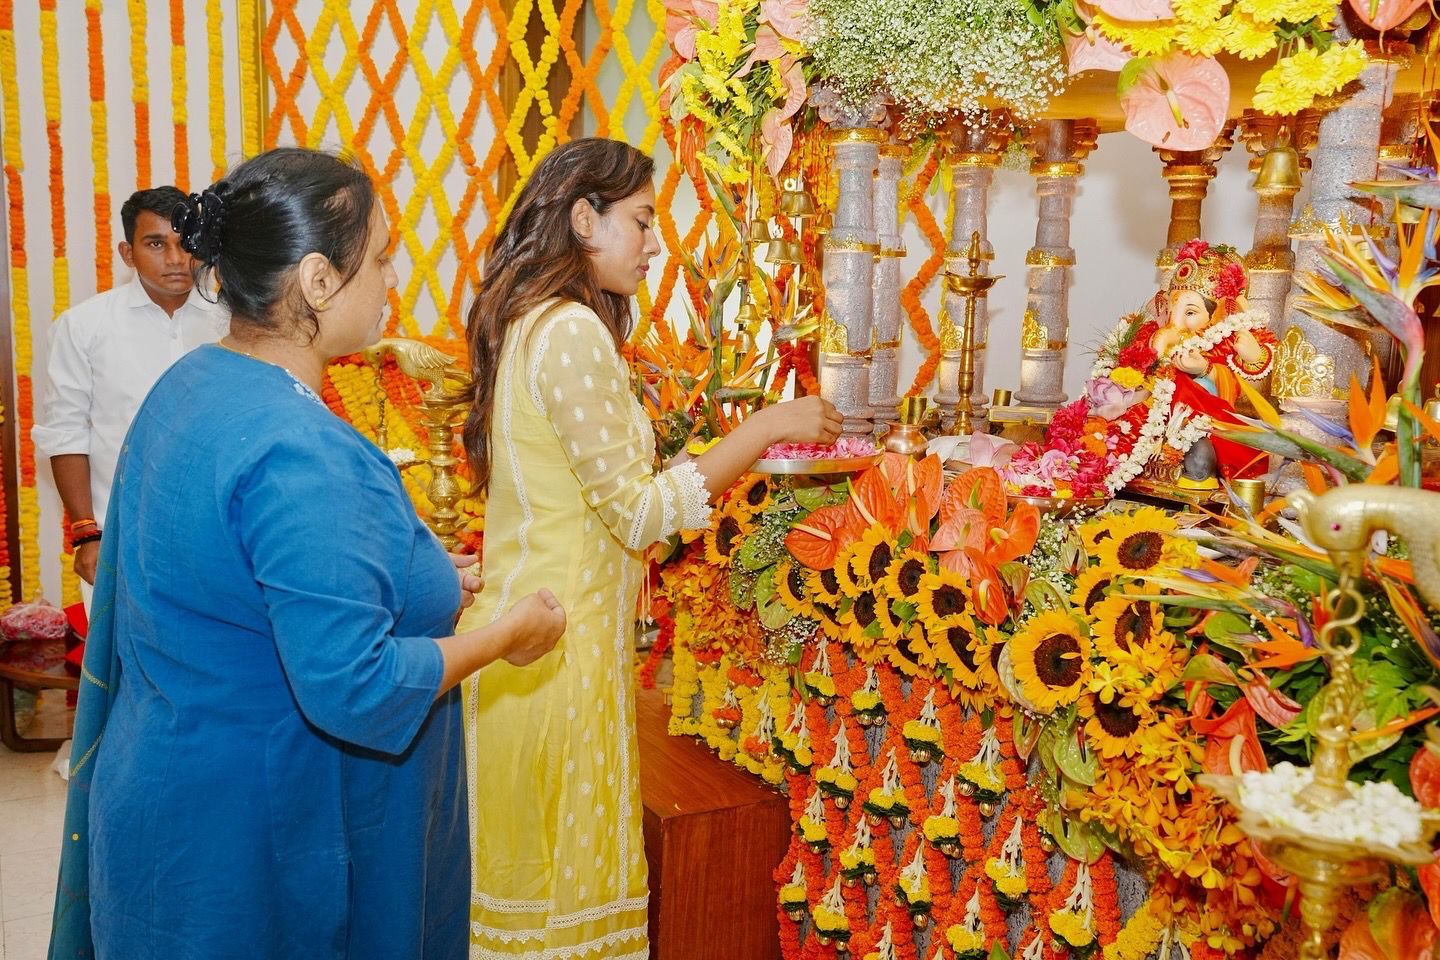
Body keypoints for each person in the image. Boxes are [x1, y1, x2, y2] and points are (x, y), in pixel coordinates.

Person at [48, 147, 567, 960]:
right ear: (319, 280)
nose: (394, 276)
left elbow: (223, 575)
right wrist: (509, 637)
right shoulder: (302, 448)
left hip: (165, 792)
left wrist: (413, 578)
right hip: (260, 837)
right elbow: (353, 686)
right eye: (384, 255)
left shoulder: (194, 383)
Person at [460, 137, 843, 957]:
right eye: (641, 220)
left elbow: (607, 489)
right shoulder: (567, 330)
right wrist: (765, 427)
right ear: (583, 219)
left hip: (545, 639)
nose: (654, 241)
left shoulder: (540, 321)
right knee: (556, 907)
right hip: (551, 648)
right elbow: (638, 515)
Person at [33, 186, 229, 593]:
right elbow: (65, 434)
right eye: (156, 244)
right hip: (120, 540)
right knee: (120, 657)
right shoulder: (84, 327)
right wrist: (87, 533)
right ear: (128, 253)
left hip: (221, 539)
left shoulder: (232, 323)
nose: (175, 259)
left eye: (185, 243)